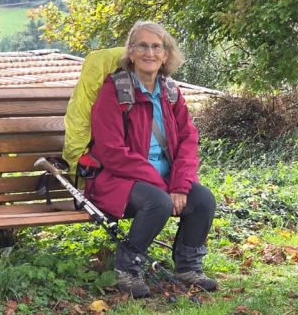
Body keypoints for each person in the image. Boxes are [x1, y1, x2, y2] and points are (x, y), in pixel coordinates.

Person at [86, 20, 218, 298]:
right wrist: (161, 186)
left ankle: (188, 267)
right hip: (116, 180)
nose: (150, 53)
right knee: (158, 201)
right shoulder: (114, 91)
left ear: (166, 54)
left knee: (203, 199)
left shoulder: (170, 92)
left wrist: (179, 185)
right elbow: (111, 151)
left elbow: (188, 140)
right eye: (142, 46)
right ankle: (127, 270)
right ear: (131, 52)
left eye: (157, 47)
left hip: (165, 181)